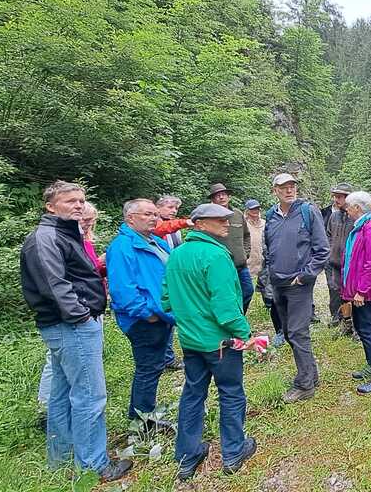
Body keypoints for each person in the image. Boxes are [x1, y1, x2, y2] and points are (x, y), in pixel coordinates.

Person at [20, 181, 131, 482]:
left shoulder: (66, 234)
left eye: (81, 200)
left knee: (62, 393)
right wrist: (81, 316)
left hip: (68, 324)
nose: (78, 205)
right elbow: (54, 285)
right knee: (90, 395)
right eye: (70, 201)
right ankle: (94, 464)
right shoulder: (46, 238)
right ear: (50, 206)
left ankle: (61, 458)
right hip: (70, 326)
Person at [162, 203, 257, 481]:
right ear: (200, 224)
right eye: (219, 220)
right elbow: (226, 308)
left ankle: (186, 456)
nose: (227, 223)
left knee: (192, 395)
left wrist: (190, 319)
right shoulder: (216, 256)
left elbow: (166, 300)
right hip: (220, 344)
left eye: (227, 219)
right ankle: (233, 453)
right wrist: (246, 335)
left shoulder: (176, 255)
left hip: (191, 341)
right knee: (231, 392)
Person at [106, 199, 176, 430]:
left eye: (155, 214)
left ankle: (143, 412)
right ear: (130, 218)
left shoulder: (155, 242)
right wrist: (147, 314)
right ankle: (143, 420)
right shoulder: (122, 247)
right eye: (147, 214)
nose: (154, 218)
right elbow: (122, 290)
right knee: (148, 367)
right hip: (145, 319)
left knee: (154, 366)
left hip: (163, 315)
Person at [263, 173, 329, 403]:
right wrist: (269, 275)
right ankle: (311, 375)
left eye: (292, 186)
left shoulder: (307, 212)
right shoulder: (270, 215)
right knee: (290, 333)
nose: (289, 190)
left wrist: (304, 276)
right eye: (284, 187)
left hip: (298, 285)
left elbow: (322, 250)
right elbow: (268, 249)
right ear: (275, 191)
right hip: (278, 283)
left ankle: (304, 385)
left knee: (298, 333)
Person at [37, 201, 105, 423]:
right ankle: (45, 408)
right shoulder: (53, 239)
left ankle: (60, 444)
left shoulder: (83, 240)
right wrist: (82, 315)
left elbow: (87, 272)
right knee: (82, 388)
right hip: (75, 317)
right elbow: (59, 282)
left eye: (91, 220)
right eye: (85, 219)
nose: (88, 223)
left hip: (86, 310)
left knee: (65, 376)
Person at [341, 191, 371, 394]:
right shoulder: (364, 226)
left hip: (366, 291)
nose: (346, 210)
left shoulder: (370, 228)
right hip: (361, 290)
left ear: (358, 208)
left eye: (348, 207)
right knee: (362, 328)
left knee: (368, 330)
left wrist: (361, 291)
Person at [154, 195, 188, 371]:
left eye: (175, 208)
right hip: (159, 278)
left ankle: (167, 356)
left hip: (173, 277)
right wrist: (187, 222)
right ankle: (166, 358)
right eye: (169, 207)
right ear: (158, 208)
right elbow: (162, 229)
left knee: (172, 316)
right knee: (165, 315)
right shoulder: (157, 225)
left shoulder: (175, 229)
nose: (173, 211)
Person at [208, 183, 254, 312]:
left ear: (229, 197)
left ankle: (239, 318)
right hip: (221, 267)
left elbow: (246, 235)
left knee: (248, 291)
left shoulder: (237, 214)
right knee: (225, 297)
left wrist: (245, 253)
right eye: (218, 195)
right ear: (213, 199)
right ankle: (229, 324)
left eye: (224, 194)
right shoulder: (209, 218)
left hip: (240, 265)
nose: (222, 197)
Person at [245, 199, 284, 348]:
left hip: (274, 266)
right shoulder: (245, 224)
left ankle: (284, 330)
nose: (255, 211)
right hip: (255, 263)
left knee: (275, 297)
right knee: (257, 293)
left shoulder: (266, 224)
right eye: (252, 209)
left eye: (257, 209)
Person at [324, 183, 355, 331]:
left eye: (339, 197)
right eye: (335, 196)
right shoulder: (334, 216)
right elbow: (328, 235)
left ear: (348, 198)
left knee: (353, 294)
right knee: (338, 292)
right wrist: (331, 251)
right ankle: (344, 322)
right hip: (334, 262)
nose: (335, 200)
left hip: (351, 265)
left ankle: (356, 327)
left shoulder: (355, 217)